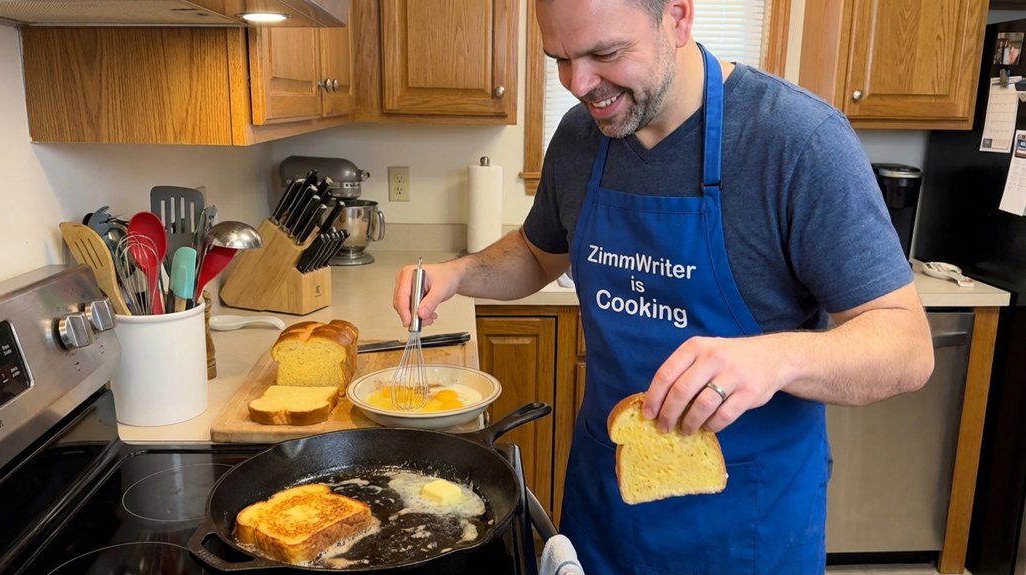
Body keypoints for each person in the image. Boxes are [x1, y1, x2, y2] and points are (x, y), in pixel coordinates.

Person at [392, 0, 935, 572]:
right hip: (608, 508)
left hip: (746, 525)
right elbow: (536, 252)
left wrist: (775, 358)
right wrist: (458, 274)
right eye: (561, 58)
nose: (580, 84)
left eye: (605, 53)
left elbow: (906, 347)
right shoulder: (582, 135)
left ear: (677, 18)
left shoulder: (797, 140)